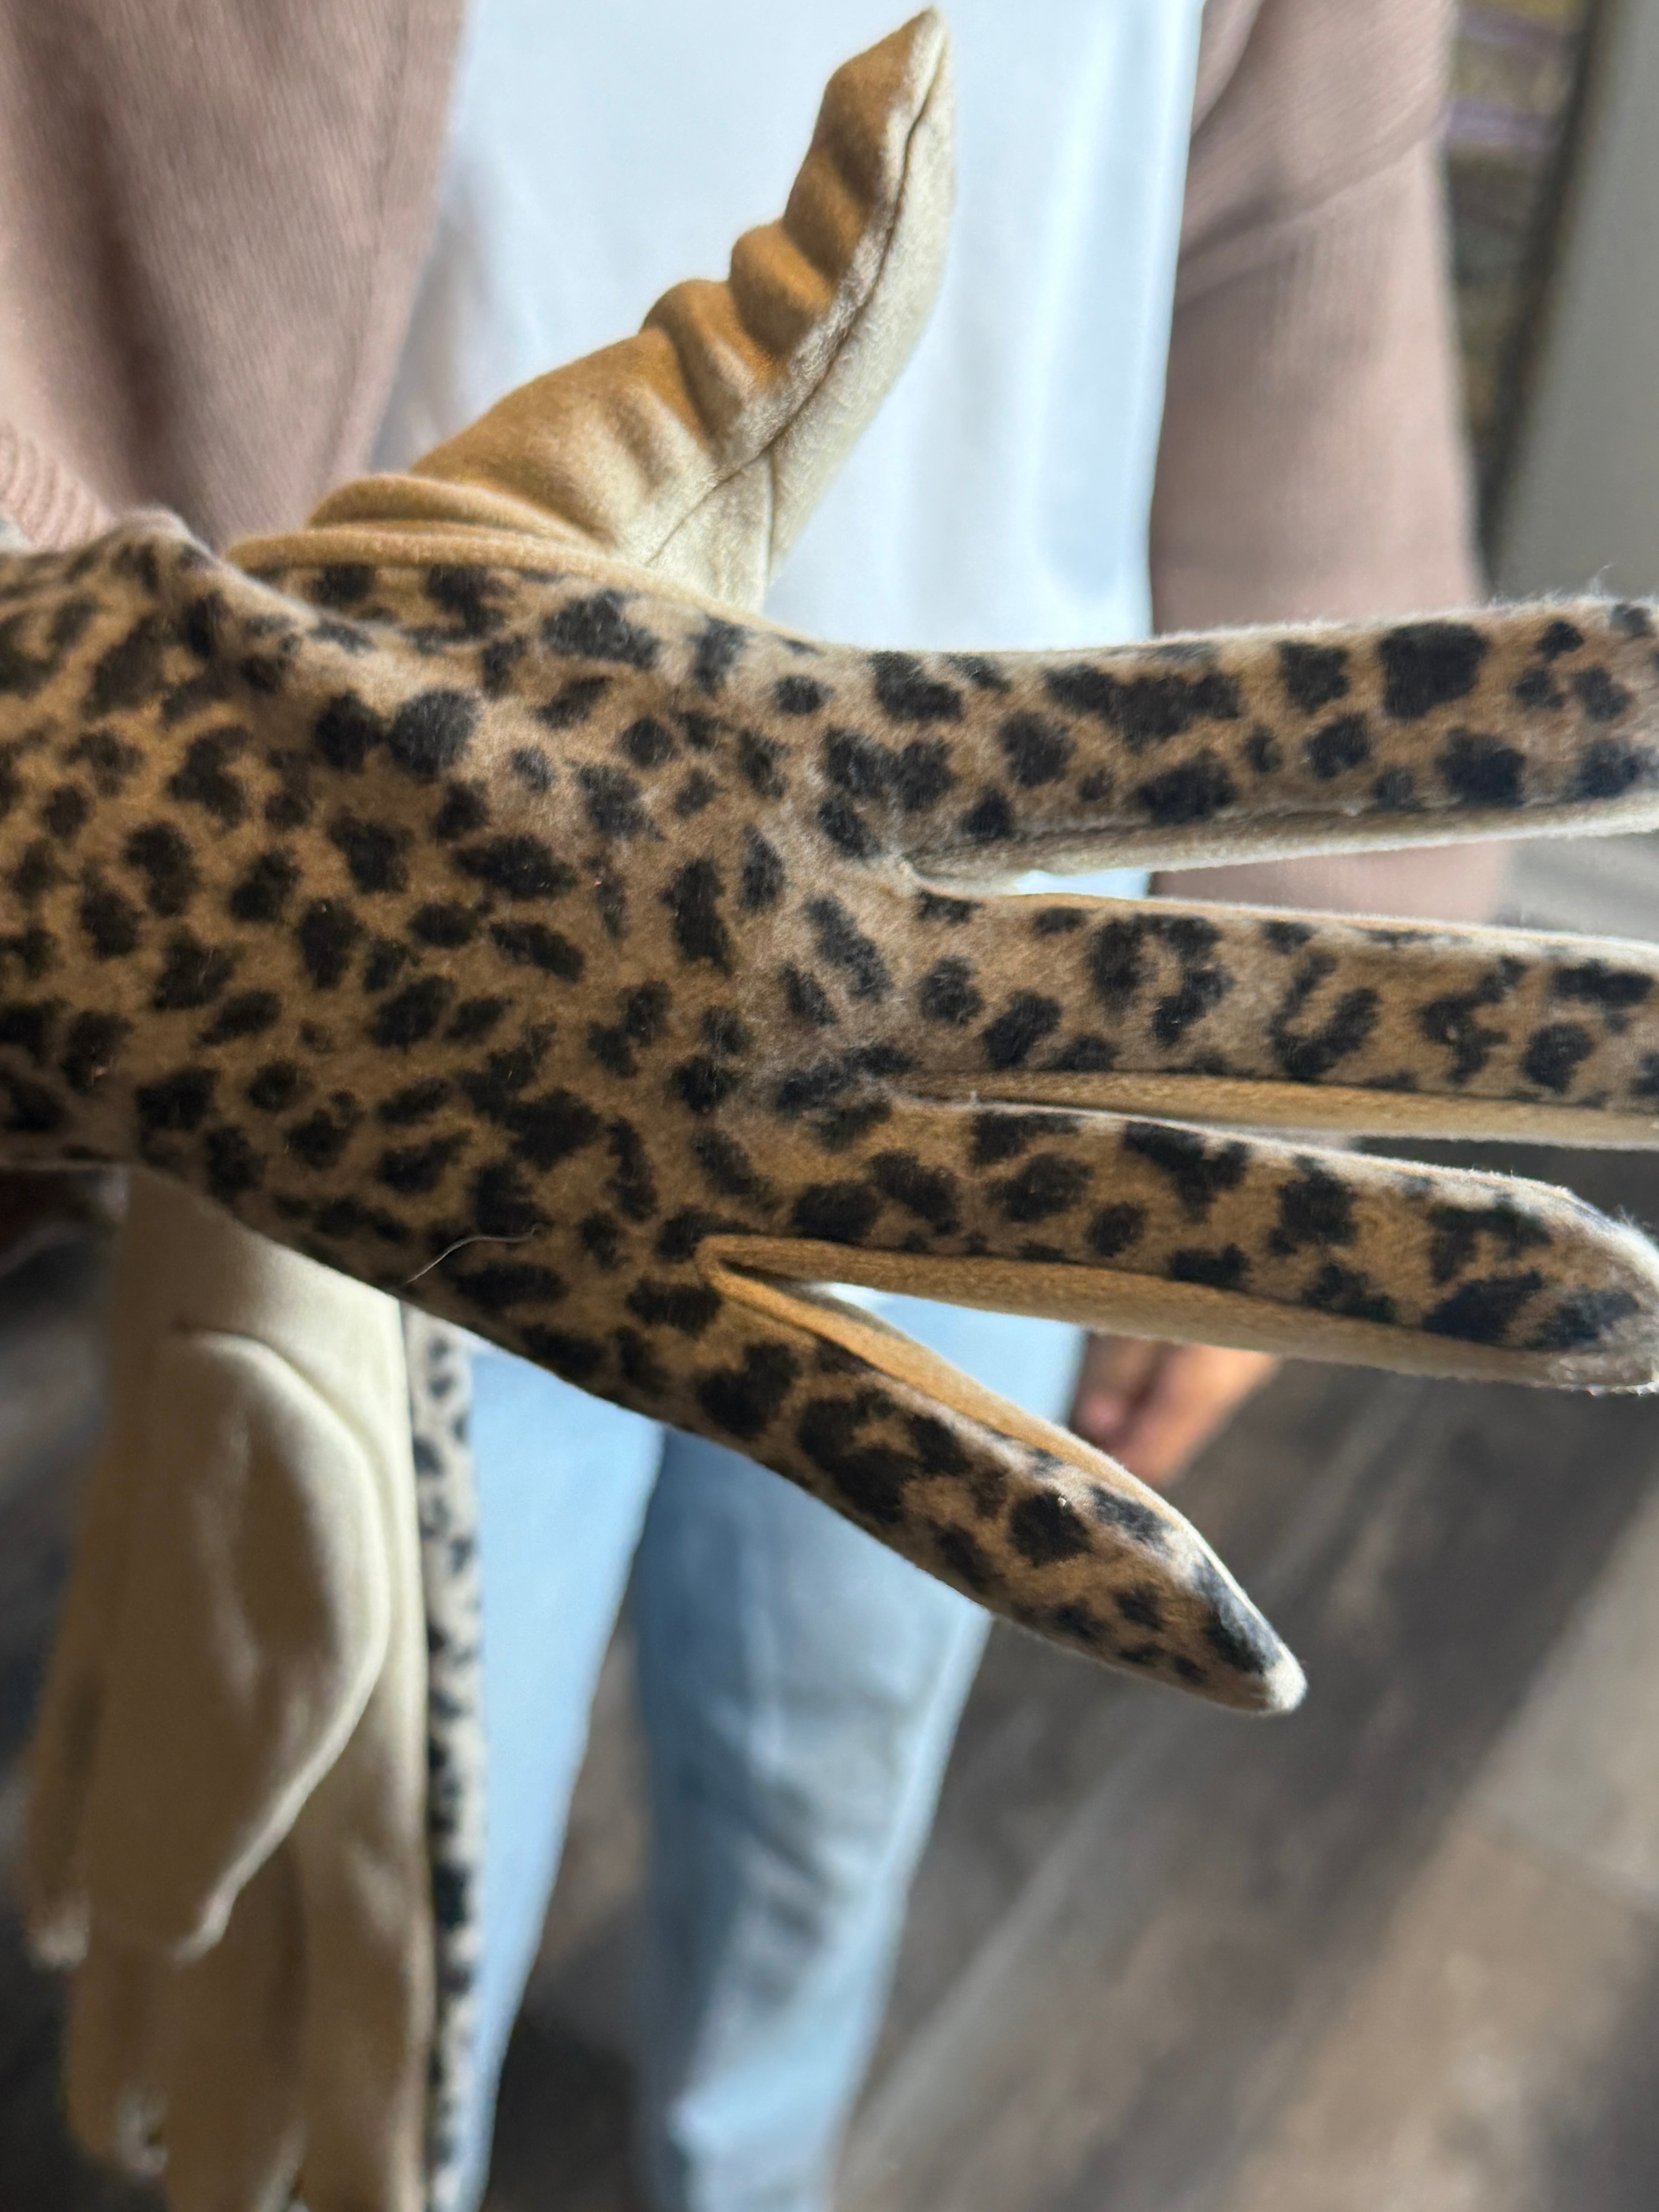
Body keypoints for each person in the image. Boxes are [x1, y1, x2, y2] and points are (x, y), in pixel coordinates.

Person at [0, 4, 1500, 2207]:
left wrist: (1315, 975)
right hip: (390, 1007)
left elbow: (1299, 268)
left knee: (829, 1762)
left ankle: (758, 2167)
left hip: (999, 1009)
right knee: (377, 1906)